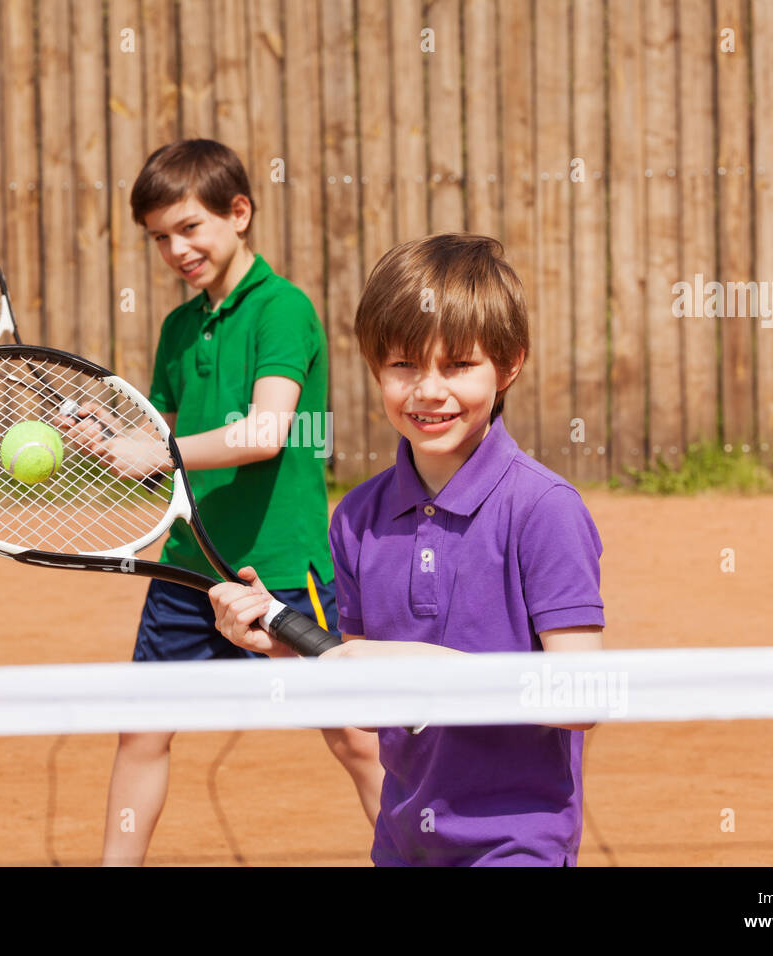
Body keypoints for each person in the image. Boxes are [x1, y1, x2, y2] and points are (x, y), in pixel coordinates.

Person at [208, 233, 606, 866]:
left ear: (508, 365)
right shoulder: (358, 519)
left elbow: (580, 699)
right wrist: (286, 646)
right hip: (403, 843)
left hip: (515, 845)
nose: (427, 390)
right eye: (403, 365)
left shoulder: (544, 509)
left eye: (457, 365)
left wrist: (425, 661)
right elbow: (369, 699)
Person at [92, 139, 381, 866]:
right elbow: (163, 442)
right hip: (189, 569)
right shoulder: (179, 328)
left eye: (189, 228)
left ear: (239, 213)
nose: (176, 249)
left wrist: (159, 450)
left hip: (281, 568)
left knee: (354, 736)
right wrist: (108, 438)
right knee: (143, 732)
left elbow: (265, 431)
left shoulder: (283, 310)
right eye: (159, 237)